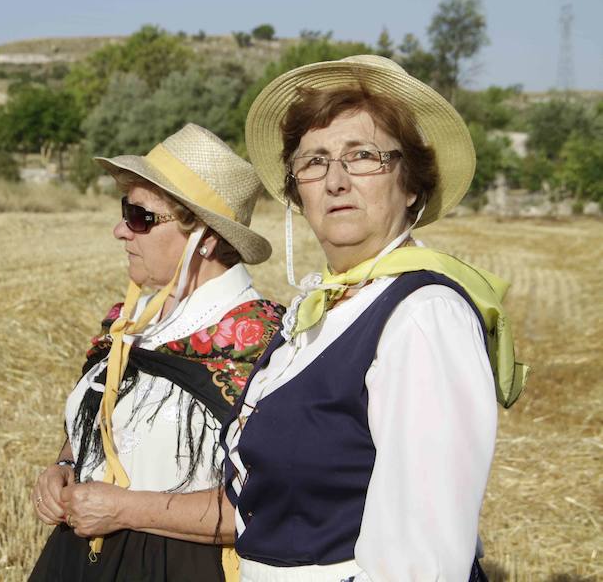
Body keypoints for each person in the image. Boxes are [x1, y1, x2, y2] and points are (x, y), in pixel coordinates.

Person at [221, 55, 528, 581]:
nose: (335, 180)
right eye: (314, 161)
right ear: (298, 191)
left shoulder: (424, 316)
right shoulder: (316, 311)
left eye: (362, 156)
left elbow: (421, 561)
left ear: (411, 186)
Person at [29, 123, 284, 582]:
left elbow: (268, 505)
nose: (120, 231)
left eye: (140, 216)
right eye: (125, 212)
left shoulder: (265, 344)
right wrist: (66, 464)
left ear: (203, 238)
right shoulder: (129, 321)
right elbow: (104, 420)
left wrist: (127, 509)